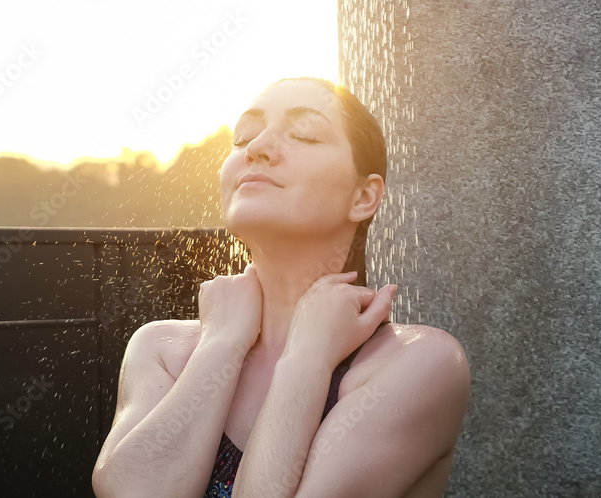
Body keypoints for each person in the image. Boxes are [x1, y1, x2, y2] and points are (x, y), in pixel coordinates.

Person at [92, 78, 470, 497]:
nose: (256, 147)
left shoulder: (417, 364)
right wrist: (221, 344)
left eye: (305, 134)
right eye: (243, 137)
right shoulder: (162, 349)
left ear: (364, 196)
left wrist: (308, 357)